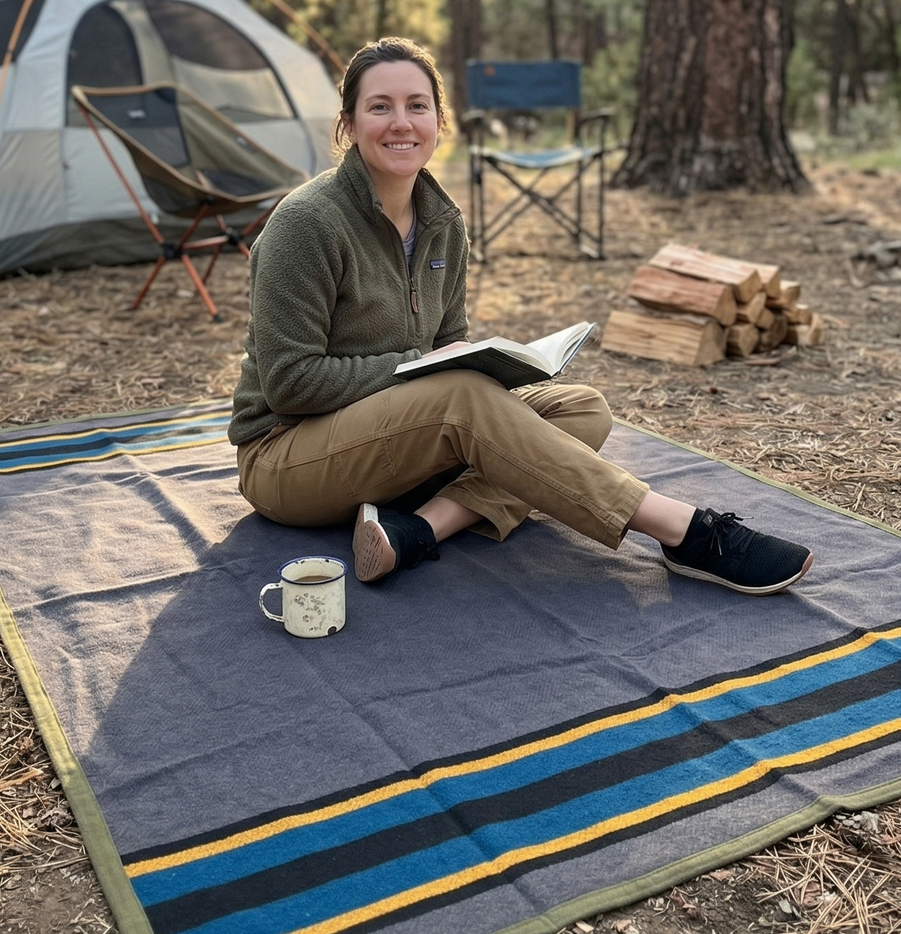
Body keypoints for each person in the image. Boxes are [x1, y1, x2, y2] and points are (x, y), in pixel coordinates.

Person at [228, 37, 813, 596]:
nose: (401, 122)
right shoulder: (307, 224)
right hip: (286, 459)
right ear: (350, 125)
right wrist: (423, 369)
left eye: (417, 106)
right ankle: (685, 531)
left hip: (391, 450)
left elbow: (447, 348)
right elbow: (290, 384)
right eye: (380, 107)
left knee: (582, 410)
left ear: (438, 122)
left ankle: (419, 530)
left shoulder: (443, 223)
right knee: (460, 396)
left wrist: (484, 370)